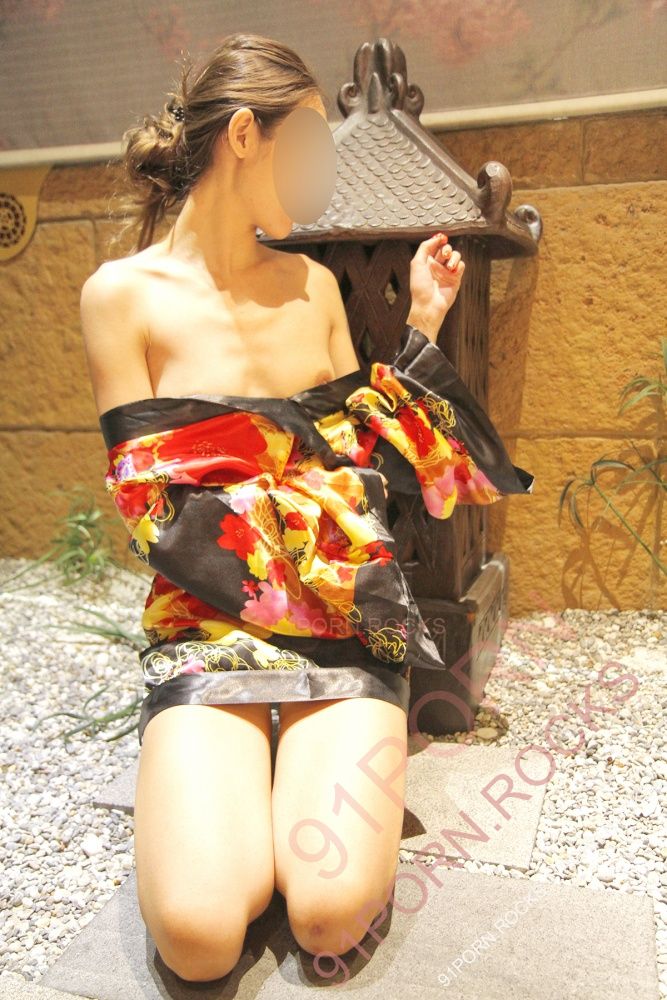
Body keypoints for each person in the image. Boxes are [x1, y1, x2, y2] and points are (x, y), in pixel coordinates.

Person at [80, 32, 533, 984]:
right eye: (310, 142)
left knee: (326, 915)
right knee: (199, 935)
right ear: (246, 136)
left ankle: (298, 773)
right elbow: (150, 503)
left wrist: (423, 321)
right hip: (206, 621)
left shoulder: (315, 286)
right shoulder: (120, 297)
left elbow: (357, 460)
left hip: (342, 619)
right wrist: (300, 500)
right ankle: (231, 783)